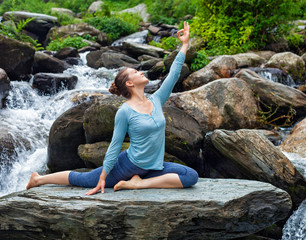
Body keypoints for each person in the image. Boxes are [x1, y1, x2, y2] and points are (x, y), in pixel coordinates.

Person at [26, 21, 198, 195]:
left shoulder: (156, 99)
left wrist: (184, 45)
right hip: (128, 166)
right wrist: (103, 177)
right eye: (135, 72)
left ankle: (138, 184)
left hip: (154, 166)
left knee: (190, 176)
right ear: (130, 83)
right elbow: (115, 146)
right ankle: (39, 179)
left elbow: (174, 73)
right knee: (85, 179)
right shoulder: (125, 111)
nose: (141, 72)